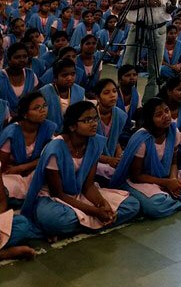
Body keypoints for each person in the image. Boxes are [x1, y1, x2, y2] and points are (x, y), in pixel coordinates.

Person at [21, 101, 140, 238]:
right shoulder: (55, 150)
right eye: (87, 120)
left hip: (80, 193)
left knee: (132, 205)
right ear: (72, 126)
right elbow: (58, 194)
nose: (94, 123)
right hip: (54, 199)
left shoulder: (94, 143)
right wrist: (95, 211)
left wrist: (103, 205)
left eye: (95, 118)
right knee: (57, 221)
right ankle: (92, 222)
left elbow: (88, 185)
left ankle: (84, 225)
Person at [109, 97, 181, 219]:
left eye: (167, 111)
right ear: (149, 120)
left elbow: (174, 162)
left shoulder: (173, 130)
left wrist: (172, 180)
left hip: (165, 176)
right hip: (142, 181)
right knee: (155, 205)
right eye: (159, 115)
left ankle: (170, 199)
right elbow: (136, 176)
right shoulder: (142, 139)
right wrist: (166, 183)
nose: (166, 116)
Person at [122, 0, 177, 102]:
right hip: (138, 27)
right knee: (129, 65)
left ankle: (149, 102)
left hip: (158, 29)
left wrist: (173, 2)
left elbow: (169, 10)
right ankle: (127, 100)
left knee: (155, 69)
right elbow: (125, 5)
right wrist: (146, 2)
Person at [0, 92, 57, 203]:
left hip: (33, 171)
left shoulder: (48, 128)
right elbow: (3, 166)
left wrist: (23, 167)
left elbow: (49, 158)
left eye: (44, 106)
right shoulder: (11, 133)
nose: (43, 110)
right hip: (12, 175)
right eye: (36, 108)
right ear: (25, 114)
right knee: (6, 189)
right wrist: (17, 170)